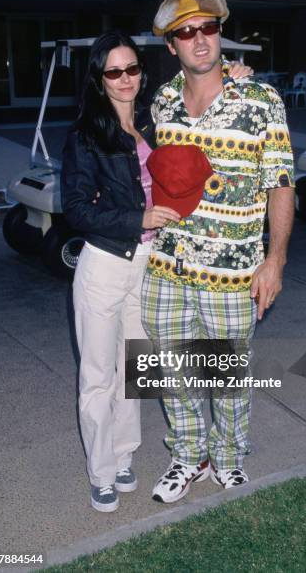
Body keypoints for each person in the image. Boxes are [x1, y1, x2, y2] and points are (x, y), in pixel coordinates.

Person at [141, 0, 295, 503]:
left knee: (227, 376)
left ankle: (228, 458)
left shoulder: (260, 99)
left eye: (208, 27)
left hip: (233, 277)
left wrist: (274, 261)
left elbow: (281, 183)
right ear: (171, 45)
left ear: (221, 32)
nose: (199, 39)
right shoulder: (162, 102)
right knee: (171, 373)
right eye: (186, 32)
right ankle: (188, 456)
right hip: (167, 269)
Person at [61, 29, 181, 512]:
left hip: (147, 265)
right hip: (105, 264)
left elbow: (201, 107)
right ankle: (101, 471)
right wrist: (140, 219)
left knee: (135, 369)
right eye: (114, 71)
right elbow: (75, 209)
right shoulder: (85, 134)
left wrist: (232, 78)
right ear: (99, 78)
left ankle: (125, 455)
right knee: (97, 375)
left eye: (132, 68)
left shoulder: (153, 124)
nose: (125, 78)